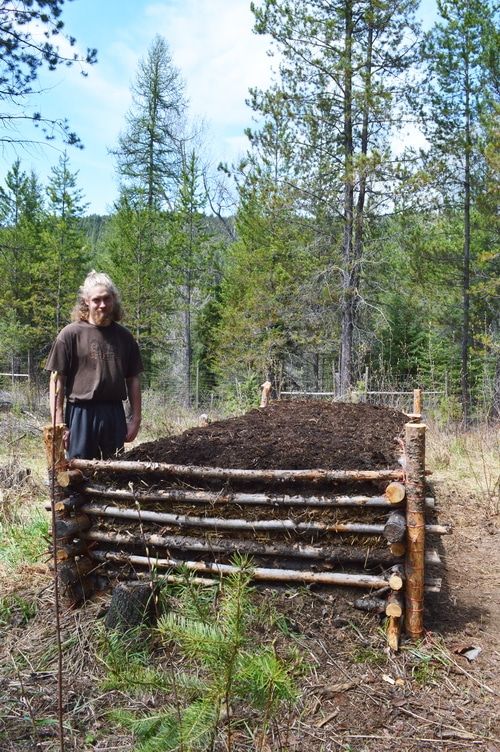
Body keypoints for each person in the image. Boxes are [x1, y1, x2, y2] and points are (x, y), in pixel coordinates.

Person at [46, 271, 143, 459]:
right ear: (86, 301)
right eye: (97, 300)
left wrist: (135, 419)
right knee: (78, 470)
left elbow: (133, 380)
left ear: (114, 299)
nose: (103, 305)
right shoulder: (70, 335)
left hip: (114, 413)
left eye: (107, 299)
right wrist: (58, 423)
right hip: (81, 413)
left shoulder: (124, 337)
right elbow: (57, 381)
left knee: (114, 470)